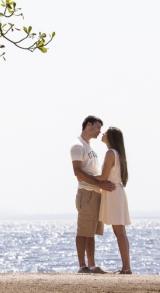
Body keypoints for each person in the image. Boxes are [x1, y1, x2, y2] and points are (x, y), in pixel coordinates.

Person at [71, 115, 116, 274]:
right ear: (88, 125)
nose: (99, 131)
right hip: (87, 193)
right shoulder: (78, 146)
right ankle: (82, 266)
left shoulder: (89, 147)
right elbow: (78, 172)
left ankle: (91, 265)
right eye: (97, 127)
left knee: (90, 231)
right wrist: (99, 184)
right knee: (83, 230)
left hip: (96, 193)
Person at [94, 127, 132, 274]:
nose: (102, 134)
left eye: (105, 133)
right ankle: (126, 267)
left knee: (119, 232)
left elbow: (103, 177)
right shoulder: (118, 154)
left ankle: (126, 268)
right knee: (120, 232)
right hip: (117, 191)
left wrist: (86, 176)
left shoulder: (111, 153)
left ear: (111, 137)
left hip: (113, 192)